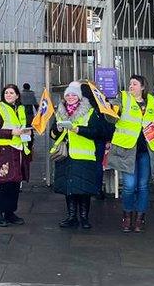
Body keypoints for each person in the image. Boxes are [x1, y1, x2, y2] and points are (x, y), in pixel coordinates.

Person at [50, 81, 107, 229]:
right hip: (66, 156)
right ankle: (71, 217)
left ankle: (84, 217)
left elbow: (98, 132)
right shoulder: (60, 112)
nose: (70, 97)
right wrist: (58, 129)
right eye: (68, 95)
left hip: (84, 156)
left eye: (73, 95)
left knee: (83, 188)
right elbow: (53, 134)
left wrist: (78, 130)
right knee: (69, 188)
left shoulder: (90, 112)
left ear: (79, 97)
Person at [112, 75, 154, 233]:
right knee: (129, 186)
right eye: (130, 84)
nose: (131, 86)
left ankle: (140, 218)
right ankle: (127, 216)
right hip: (128, 150)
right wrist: (110, 107)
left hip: (147, 151)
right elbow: (112, 114)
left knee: (143, 186)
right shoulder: (123, 98)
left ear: (143, 87)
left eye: (134, 84)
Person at [0, 83, 33, 226]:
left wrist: (28, 132)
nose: (8, 95)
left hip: (18, 150)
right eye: (6, 93)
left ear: (17, 96)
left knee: (15, 184)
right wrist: (12, 132)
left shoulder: (20, 109)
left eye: (11, 93)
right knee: (5, 184)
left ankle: (10, 213)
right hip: (4, 152)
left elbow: (22, 127)